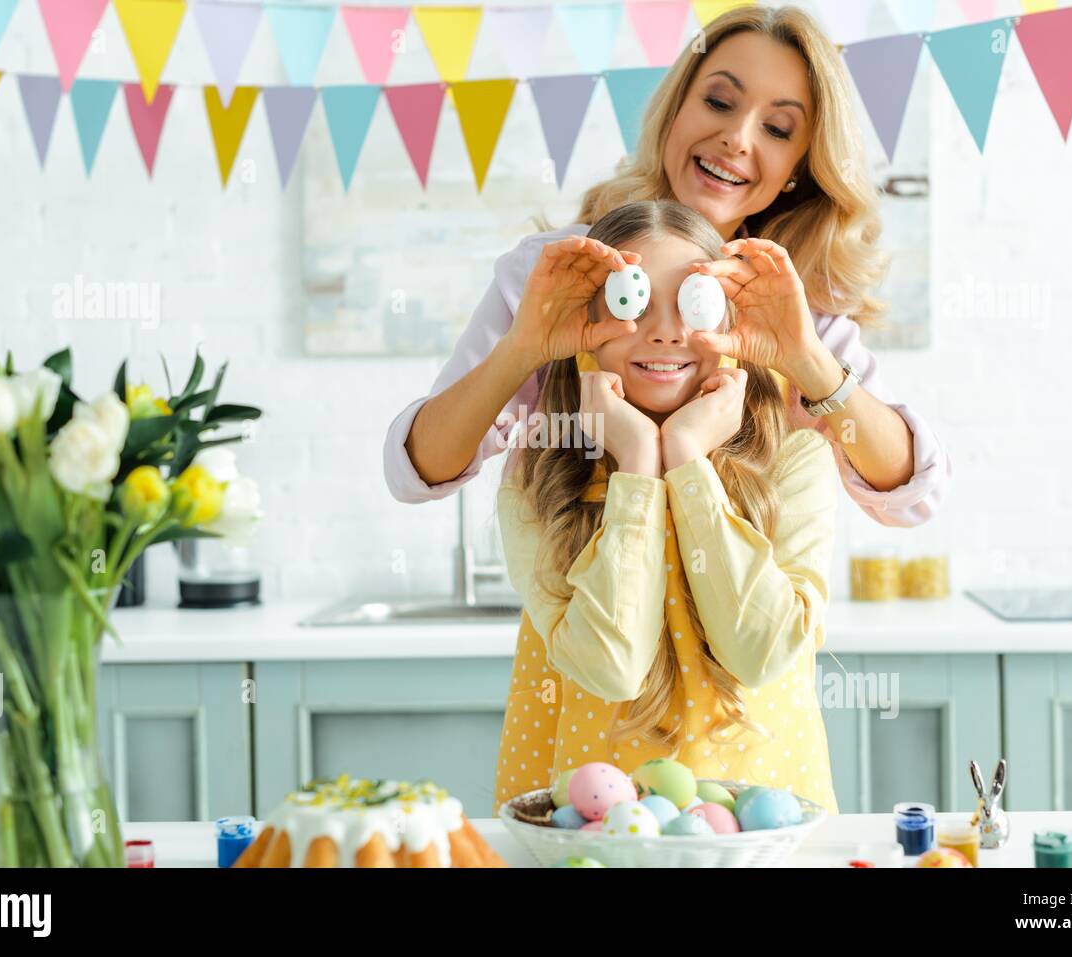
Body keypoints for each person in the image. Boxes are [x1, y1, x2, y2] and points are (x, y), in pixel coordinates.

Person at [385, 4, 950, 527]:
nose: (736, 137)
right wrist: (522, 351)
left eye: (777, 129)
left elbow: (911, 497)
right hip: (581, 622)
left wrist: (809, 361)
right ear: (675, 111)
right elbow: (418, 473)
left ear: (798, 168)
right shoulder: (556, 273)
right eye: (719, 102)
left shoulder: (795, 306)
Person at [492, 199, 839, 815]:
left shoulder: (794, 462)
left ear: (730, 324)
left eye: (692, 303)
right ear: (586, 330)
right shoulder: (539, 476)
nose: (666, 332)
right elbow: (613, 667)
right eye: (633, 302)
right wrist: (638, 468)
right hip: (602, 837)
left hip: (763, 830)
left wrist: (686, 458)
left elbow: (760, 651)